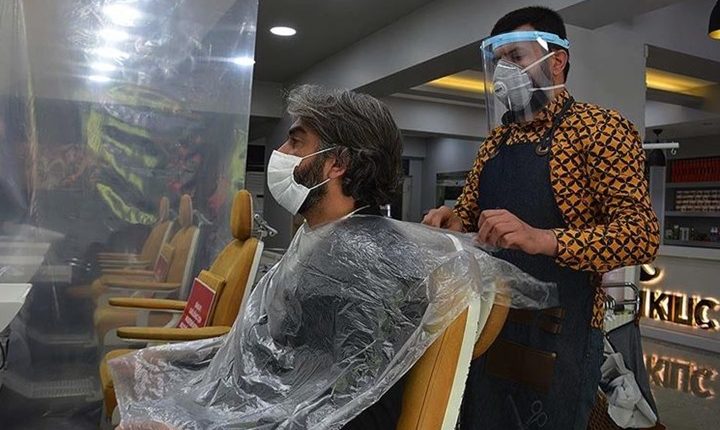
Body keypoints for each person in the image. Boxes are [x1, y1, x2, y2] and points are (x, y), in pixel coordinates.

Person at [109, 85, 555, 430]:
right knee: (138, 375)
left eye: (295, 143)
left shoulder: (361, 267)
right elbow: (279, 360)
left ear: (336, 163)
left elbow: (341, 405)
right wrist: (188, 371)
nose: (281, 155)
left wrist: (198, 422)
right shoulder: (324, 240)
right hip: (272, 404)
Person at [423, 6, 660, 430]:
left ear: (556, 61)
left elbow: (640, 235)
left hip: (560, 332)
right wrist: (453, 221)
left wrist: (544, 239)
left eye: (516, 57)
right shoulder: (496, 142)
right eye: (499, 61)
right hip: (489, 324)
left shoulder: (599, 129)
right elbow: (469, 215)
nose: (504, 71)